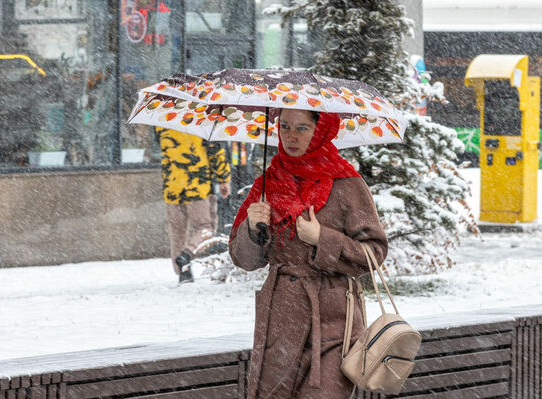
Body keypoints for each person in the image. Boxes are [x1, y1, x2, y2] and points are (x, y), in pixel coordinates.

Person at [229, 110, 388, 398]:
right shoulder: (267, 183)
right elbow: (244, 260)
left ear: (321, 130)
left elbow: (374, 253)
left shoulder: (347, 183)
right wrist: (252, 229)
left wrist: (322, 239)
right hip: (280, 321)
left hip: (335, 322)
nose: (291, 136)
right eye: (285, 126)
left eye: (302, 128)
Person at [157, 127, 231, 283]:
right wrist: (223, 178)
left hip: (172, 186)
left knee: (177, 232)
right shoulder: (202, 121)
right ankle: (187, 255)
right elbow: (215, 152)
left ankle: (183, 274)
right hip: (198, 185)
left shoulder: (162, 121)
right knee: (206, 227)